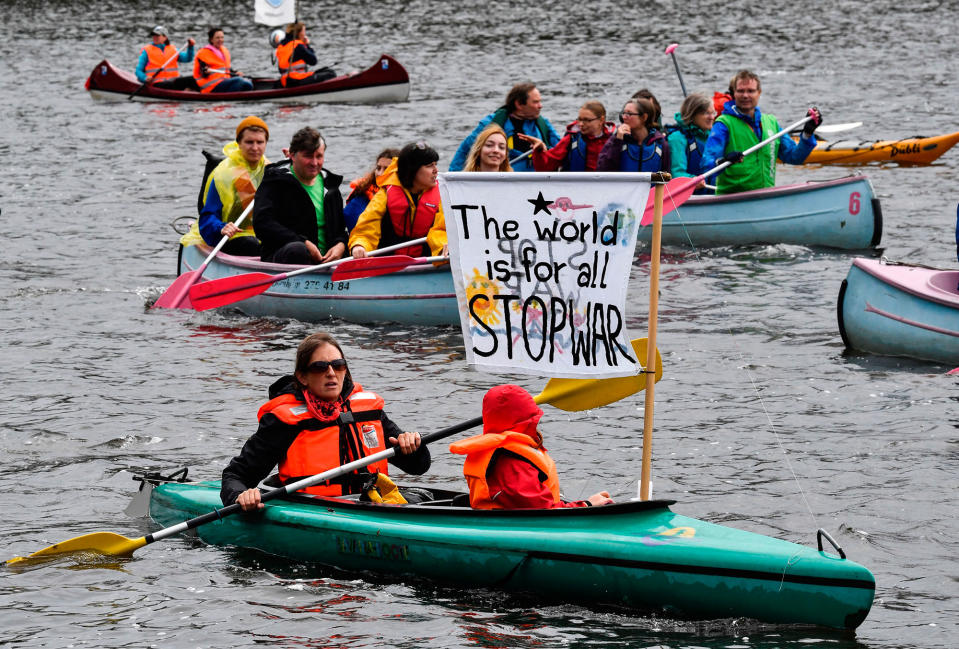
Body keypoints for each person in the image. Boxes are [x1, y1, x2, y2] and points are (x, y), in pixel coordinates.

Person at [221, 332, 431, 509]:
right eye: (320, 367)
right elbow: (235, 476)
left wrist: (412, 446)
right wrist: (241, 496)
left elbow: (418, 467)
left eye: (338, 365)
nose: (331, 373)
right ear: (303, 377)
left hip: (371, 504)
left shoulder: (368, 411)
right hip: (316, 509)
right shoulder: (284, 421)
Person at [448, 384, 613, 510]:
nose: (536, 426)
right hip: (524, 527)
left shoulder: (503, 451)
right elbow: (542, 512)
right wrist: (587, 504)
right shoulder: (511, 462)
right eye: (533, 421)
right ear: (525, 423)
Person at [702, 69, 822, 195]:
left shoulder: (771, 123)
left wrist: (807, 133)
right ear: (734, 94)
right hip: (733, 199)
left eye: (751, 91)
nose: (745, 95)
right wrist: (723, 161)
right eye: (740, 91)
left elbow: (794, 157)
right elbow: (706, 164)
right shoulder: (723, 124)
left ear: (759, 93)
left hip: (765, 197)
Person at [253, 127, 348, 265]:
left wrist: (341, 245)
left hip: (326, 261)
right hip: (284, 254)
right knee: (298, 249)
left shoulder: (331, 186)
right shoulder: (274, 181)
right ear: (292, 155)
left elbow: (340, 230)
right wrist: (303, 242)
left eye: (319, 156)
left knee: (356, 247)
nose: (314, 163)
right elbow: (262, 224)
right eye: (308, 156)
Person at [179, 116, 269, 255]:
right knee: (252, 244)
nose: (255, 148)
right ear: (239, 143)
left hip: (265, 235)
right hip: (233, 236)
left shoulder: (271, 170)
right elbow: (208, 216)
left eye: (260, 142)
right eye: (249, 142)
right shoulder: (224, 175)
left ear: (266, 143)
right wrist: (221, 227)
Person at [348, 141, 448, 259]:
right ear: (413, 170)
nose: (436, 170)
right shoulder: (385, 195)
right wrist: (360, 245)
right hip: (388, 265)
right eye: (429, 166)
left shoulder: (442, 195)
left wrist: (445, 245)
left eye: (435, 164)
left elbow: (442, 230)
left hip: (429, 263)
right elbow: (366, 229)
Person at [449, 82, 561, 172]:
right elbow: (466, 150)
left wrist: (543, 150)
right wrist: (453, 180)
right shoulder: (492, 123)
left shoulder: (543, 125)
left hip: (535, 185)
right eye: (535, 102)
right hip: (505, 182)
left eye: (540, 102)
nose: (540, 106)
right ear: (519, 104)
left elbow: (561, 151)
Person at [517, 101, 614, 172]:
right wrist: (539, 150)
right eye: (579, 119)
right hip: (578, 189)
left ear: (601, 120)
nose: (581, 124)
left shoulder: (616, 140)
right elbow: (546, 166)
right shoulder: (571, 140)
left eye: (586, 120)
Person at [597, 98, 670, 173]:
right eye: (623, 113)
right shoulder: (616, 140)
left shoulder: (661, 144)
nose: (624, 117)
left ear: (644, 117)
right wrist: (617, 141)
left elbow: (667, 175)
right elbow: (602, 170)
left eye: (629, 114)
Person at [666, 93, 717, 194]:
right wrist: (693, 181)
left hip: (713, 194)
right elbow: (677, 173)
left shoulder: (713, 136)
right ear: (692, 115)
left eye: (713, 113)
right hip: (689, 198)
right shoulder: (677, 138)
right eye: (706, 113)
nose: (711, 117)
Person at [343, 148, 400, 230]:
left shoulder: (411, 193)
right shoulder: (360, 199)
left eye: (387, 169)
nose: (380, 173)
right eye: (378, 168)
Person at [274, 22, 336, 87]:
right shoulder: (298, 45)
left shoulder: (280, 46)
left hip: (285, 81)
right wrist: (307, 45)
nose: (305, 34)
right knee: (331, 73)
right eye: (304, 31)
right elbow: (313, 61)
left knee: (325, 71)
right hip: (296, 80)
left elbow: (281, 70)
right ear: (299, 33)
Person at [193, 27, 254, 93]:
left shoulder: (224, 50)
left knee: (248, 80)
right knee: (240, 81)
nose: (220, 40)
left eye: (222, 37)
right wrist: (205, 71)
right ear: (211, 40)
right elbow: (202, 70)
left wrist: (235, 73)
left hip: (224, 82)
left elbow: (226, 68)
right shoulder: (203, 53)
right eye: (217, 38)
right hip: (211, 86)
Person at [135, 26, 196, 90]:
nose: (155, 37)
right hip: (157, 83)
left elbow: (188, 58)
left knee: (194, 78)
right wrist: (145, 78)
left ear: (165, 37)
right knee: (180, 82)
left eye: (157, 35)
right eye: (153, 35)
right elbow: (138, 71)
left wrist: (190, 47)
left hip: (173, 81)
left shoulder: (173, 49)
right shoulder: (147, 51)